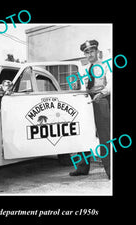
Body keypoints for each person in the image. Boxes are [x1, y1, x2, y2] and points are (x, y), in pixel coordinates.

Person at [69, 40, 111, 179]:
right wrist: (77, 84)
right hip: (86, 101)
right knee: (83, 132)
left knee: (105, 136)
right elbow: (81, 86)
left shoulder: (106, 65)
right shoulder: (85, 68)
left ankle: (110, 170)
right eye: (86, 52)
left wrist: (103, 93)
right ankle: (82, 167)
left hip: (102, 100)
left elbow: (110, 84)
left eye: (92, 51)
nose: (89, 54)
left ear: (97, 51)